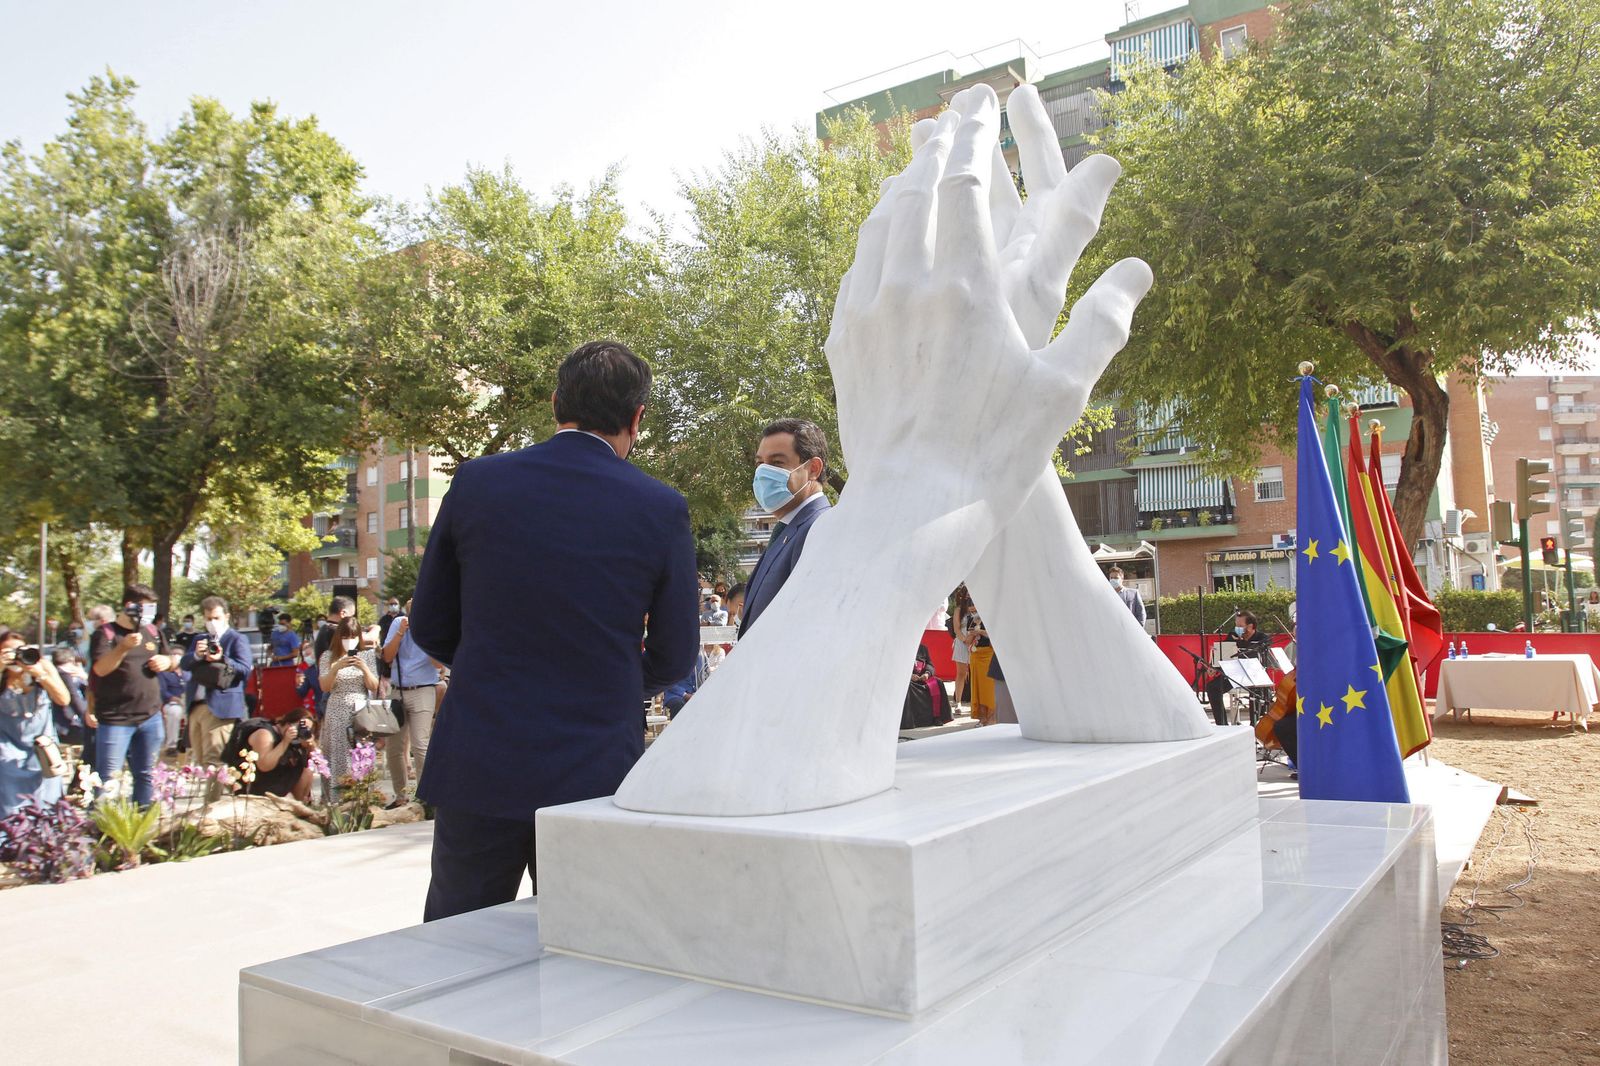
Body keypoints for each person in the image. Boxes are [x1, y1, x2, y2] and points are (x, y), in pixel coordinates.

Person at [410, 339, 699, 921]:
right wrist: (610, 682)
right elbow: (675, 654)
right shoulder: (660, 507)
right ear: (637, 418)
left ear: (555, 404)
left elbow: (429, 623)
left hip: (481, 757)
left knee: (456, 952)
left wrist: (488, 667)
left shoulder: (476, 483)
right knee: (586, 949)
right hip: (593, 765)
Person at [88, 584, 180, 805]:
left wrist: (167, 662)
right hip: (115, 719)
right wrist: (122, 648)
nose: (149, 613)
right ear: (130, 606)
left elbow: (173, 660)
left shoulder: (152, 632)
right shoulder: (106, 633)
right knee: (108, 779)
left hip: (150, 716)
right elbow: (100, 669)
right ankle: (102, 830)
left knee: (147, 774)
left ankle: (142, 824)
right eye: (145, 607)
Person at [739, 418, 832, 635]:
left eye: (777, 463)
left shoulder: (820, 530)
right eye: (760, 462)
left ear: (813, 469)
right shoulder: (788, 530)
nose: (763, 472)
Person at [0, 627, 73, 815]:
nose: (16, 658)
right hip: (6, 749)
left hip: (41, 749)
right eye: (10, 653)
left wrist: (39, 673)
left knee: (46, 802)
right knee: (10, 806)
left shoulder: (41, 666)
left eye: (20, 651)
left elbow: (63, 699)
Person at [181, 597, 254, 783]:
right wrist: (197, 655)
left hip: (221, 707)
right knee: (201, 762)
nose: (212, 623)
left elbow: (245, 669)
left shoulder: (237, 639)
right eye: (208, 618)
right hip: (197, 705)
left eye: (216, 618)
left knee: (215, 763)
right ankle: (216, 803)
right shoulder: (199, 639)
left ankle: (212, 807)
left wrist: (223, 659)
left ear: (226, 616)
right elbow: (185, 664)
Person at [381, 598, 443, 807]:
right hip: (398, 691)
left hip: (423, 688)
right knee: (394, 747)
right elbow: (387, 657)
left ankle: (426, 798)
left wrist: (424, 636)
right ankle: (401, 796)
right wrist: (401, 633)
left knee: (420, 744)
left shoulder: (432, 628)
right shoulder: (398, 624)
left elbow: (438, 665)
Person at [318, 616, 380, 787]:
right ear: (338, 637)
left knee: (362, 752)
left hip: (361, 710)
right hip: (337, 708)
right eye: (345, 637)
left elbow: (374, 685)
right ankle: (336, 799)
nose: (349, 641)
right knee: (339, 754)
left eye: (353, 637)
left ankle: (362, 797)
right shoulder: (328, 657)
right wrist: (336, 667)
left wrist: (364, 668)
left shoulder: (366, 655)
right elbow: (324, 686)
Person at [220, 707, 320, 802]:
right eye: (299, 726)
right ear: (288, 723)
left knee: (307, 770)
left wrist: (310, 744)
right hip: (252, 784)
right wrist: (285, 742)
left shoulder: (298, 741)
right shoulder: (265, 734)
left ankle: (299, 806)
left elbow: (320, 763)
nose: (300, 731)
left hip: (274, 784)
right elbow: (264, 765)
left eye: (306, 729)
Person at [1206, 610, 1274, 727]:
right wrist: (1213, 666)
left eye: (1240, 626)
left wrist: (1242, 644)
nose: (1237, 628)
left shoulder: (1262, 638)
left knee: (1258, 691)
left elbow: (1260, 654)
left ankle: (1254, 725)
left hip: (1254, 675)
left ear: (1250, 626)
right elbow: (1223, 654)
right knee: (1212, 687)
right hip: (1235, 674)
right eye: (1236, 625)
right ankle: (1222, 724)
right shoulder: (1233, 635)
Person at [966, 607, 996, 725]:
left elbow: (995, 636)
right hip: (975, 656)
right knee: (978, 689)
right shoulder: (972, 620)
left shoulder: (990, 618)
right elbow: (968, 641)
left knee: (988, 689)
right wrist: (972, 634)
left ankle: (992, 718)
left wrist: (981, 632)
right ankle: (982, 718)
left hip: (988, 655)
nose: (973, 611)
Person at [312, 596, 356, 668]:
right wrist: (376, 629)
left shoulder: (325, 628)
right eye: (352, 616)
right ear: (343, 613)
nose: (353, 620)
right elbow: (368, 637)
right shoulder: (334, 630)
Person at [949, 588, 973, 710]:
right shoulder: (959, 610)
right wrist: (965, 640)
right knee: (961, 673)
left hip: (976, 643)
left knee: (976, 674)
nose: (969, 596)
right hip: (961, 643)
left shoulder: (978, 609)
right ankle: (958, 701)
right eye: (967, 594)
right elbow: (956, 629)